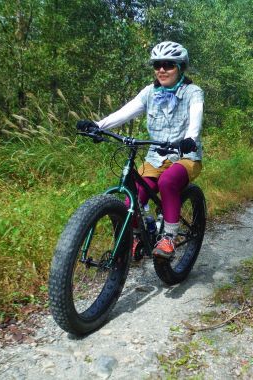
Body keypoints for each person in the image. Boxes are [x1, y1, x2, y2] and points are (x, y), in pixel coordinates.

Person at [76, 41, 204, 259]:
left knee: (168, 182)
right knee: (131, 200)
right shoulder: (150, 93)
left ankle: (169, 238)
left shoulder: (193, 92)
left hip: (185, 155)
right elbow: (125, 112)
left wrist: (190, 138)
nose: (161, 70)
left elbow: (196, 117)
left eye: (168, 65)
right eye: (157, 65)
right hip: (155, 157)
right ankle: (140, 233)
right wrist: (98, 125)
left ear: (181, 67)